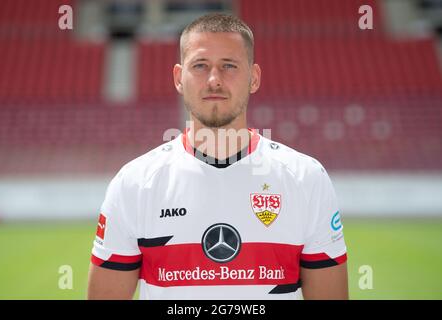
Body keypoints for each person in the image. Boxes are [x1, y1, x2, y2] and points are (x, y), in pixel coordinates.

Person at [87, 13, 348, 300]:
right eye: (200, 66)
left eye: (229, 66)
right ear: (178, 78)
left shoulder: (305, 178)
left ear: (254, 77)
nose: (214, 79)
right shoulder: (135, 183)